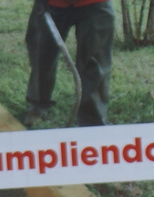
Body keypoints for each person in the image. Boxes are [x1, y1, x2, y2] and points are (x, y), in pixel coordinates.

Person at [25, 0, 114, 128]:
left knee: (95, 62)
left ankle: (92, 119)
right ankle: (38, 104)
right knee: (41, 56)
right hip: (50, 4)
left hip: (95, 4)